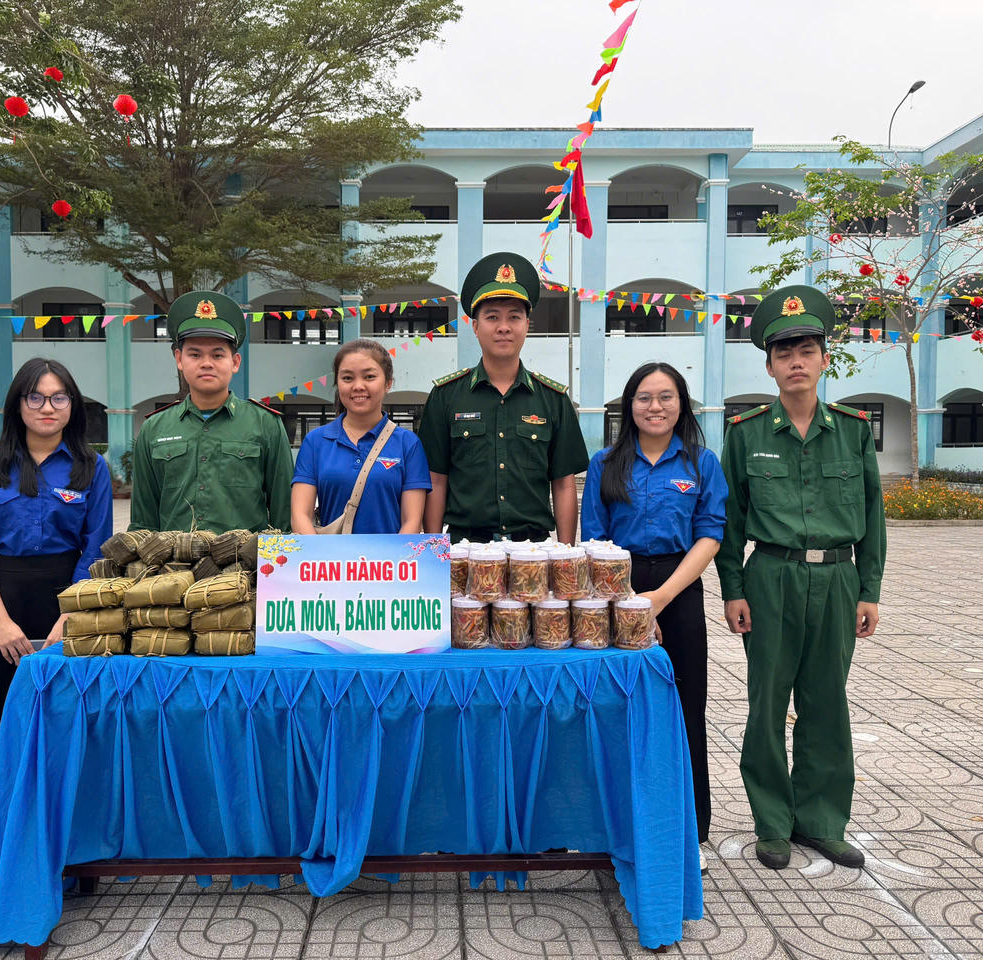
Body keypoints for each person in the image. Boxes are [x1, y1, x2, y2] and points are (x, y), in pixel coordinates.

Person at [715, 285, 885, 871]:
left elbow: (873, 517)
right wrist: (733, 588)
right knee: (767, 703)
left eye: (806, 350)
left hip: (837, 580)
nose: (795, 361)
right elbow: (731, 520)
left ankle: (822, 821)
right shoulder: (746, 433)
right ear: (768, 364)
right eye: (784, 352)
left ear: (823, 359)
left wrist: (870, 591)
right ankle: (773, 823)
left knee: (826, 703)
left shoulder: (854, 429)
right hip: (770, 578)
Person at [580, 362, 727, 873]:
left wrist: (660, 598)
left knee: (685, 708)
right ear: (629, 406)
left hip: (679, 589)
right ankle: (614, 825)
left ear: (681, 403)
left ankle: (692, 831)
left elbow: (710, 533)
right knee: (615, 706)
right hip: (616, 589)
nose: (655, 406)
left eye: (666, 396)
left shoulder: (702, 462)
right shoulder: (605, 463)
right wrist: (628, 604)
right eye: (644, 397)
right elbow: (594, 539)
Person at [0, 358, 113, 775]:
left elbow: (96, 551)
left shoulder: (91, 468)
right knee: (9, 723)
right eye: (36, 397)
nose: (48, 407)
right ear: (18, 405)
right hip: (6, 605)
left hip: (71, 603)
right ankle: (10, 820)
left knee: (70, 719)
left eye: (58, 397)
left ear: (72, 405)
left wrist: (69, 617)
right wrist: (0, 622)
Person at [419, 253, 589, 542]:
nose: (504, 327)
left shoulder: (553, 400)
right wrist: (434, 552)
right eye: (492, 317)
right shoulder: (446, 397)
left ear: (526, 326)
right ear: (475, 326)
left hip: (532, 552)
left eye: (514, 317)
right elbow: (436, 480)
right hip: (466, 549)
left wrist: (565, 554)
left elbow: (563, 484)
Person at [130, 291, 292, 534]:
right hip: (173, 568)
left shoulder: (265, 424)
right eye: (195, 354)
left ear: (235, 362)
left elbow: (283, 517)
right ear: (179, 359)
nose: (206, 363)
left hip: (244, 568)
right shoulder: (154, 429)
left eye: (218, 354)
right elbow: (143, 522)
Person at [291, 339, 431, 534]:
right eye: (347, 378)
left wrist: (390, 563)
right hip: (330, 561)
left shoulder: (408, 444)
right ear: (337, 383)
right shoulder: (315, 442)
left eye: (369, 377)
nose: (358, 386)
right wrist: (323, 559)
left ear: (388, 383)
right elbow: (300, 517)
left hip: (389, 562)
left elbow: (412, 523)